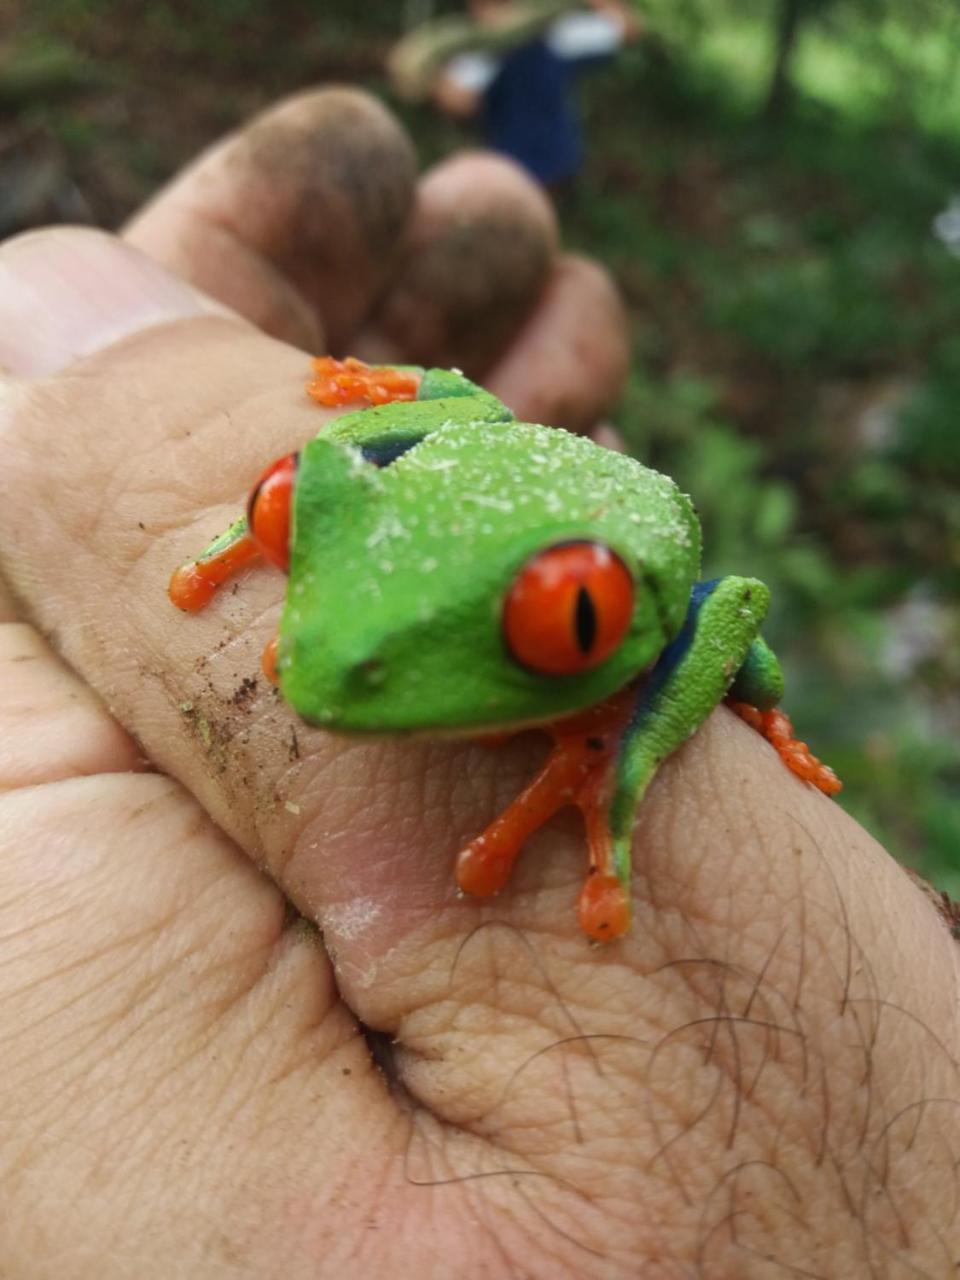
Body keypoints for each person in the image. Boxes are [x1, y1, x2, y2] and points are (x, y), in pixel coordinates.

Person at [0, 87, 957, 1276]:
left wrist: (632, 737)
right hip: (482, 448)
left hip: (606, 545)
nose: (329, 653)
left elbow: (739, 604)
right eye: (294, 524)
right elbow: (423, 445)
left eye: (566, 617)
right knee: (364, 461)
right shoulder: (365, 589)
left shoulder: (637, 580)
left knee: (731, 657)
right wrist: (284, 505)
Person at [435, 0, 641, 187]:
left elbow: (625, 28)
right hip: (506, 175)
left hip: (556, 174)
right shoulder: (482, 53)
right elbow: (456, 99)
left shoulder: (556, 35)